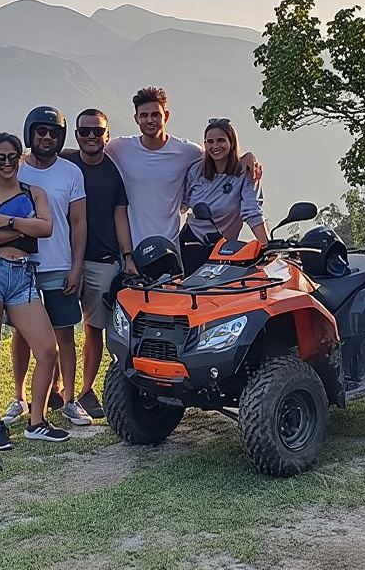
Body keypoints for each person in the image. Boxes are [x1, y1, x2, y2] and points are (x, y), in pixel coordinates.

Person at [0, 133, 68, 448]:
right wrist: (24, 226)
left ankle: (37, 420)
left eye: (12, 157)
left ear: (20, 158)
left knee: (48, 350)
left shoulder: (34, 192)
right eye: (0, 158)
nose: (7, 163)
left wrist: (6, 221)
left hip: (23, 275)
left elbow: (46, 228)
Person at [105, 87, 261, 271]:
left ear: (166, 116)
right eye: (144, 115)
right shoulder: (119, 147)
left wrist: (247, 158)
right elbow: (90, 153)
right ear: (136, 118)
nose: (150, 120)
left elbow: (217, 154)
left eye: (155, 114)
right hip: (131, 252)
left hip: (173, 249)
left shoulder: (187, 151)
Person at [4, 107, 90, 427]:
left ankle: (69, 399)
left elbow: (79, 222)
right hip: (21, 266)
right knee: (21, 335)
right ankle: (19, 398)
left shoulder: (70, 172)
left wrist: (76, 266)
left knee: (64, 334)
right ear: (30, 133)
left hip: (59, 264)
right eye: (41, 131)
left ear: (60, 137)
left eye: (53, 132)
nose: (47, 137)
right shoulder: (16, 168)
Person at [59, 108, 134, 420]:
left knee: (94, 330)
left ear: (107, 135)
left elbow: (120, 215)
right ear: (76, 135)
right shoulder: (65, 163)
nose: (90, 136)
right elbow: (31, 157)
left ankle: (85, 390)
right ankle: (58, 389)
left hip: (102, 260)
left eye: (96, 131)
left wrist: (127, 257)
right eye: (84, 131)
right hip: (63, 258)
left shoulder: (113, 172)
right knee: (59, 327)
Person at [180, 118, 269, 273]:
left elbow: (252, 211)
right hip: (192, 241)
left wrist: (267, 248)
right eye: (210, 141)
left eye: (221, 140)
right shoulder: (196, 171)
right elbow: (182, 203)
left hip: (226, 248)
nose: (215, 146)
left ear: (231, 142)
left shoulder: (245, 172)